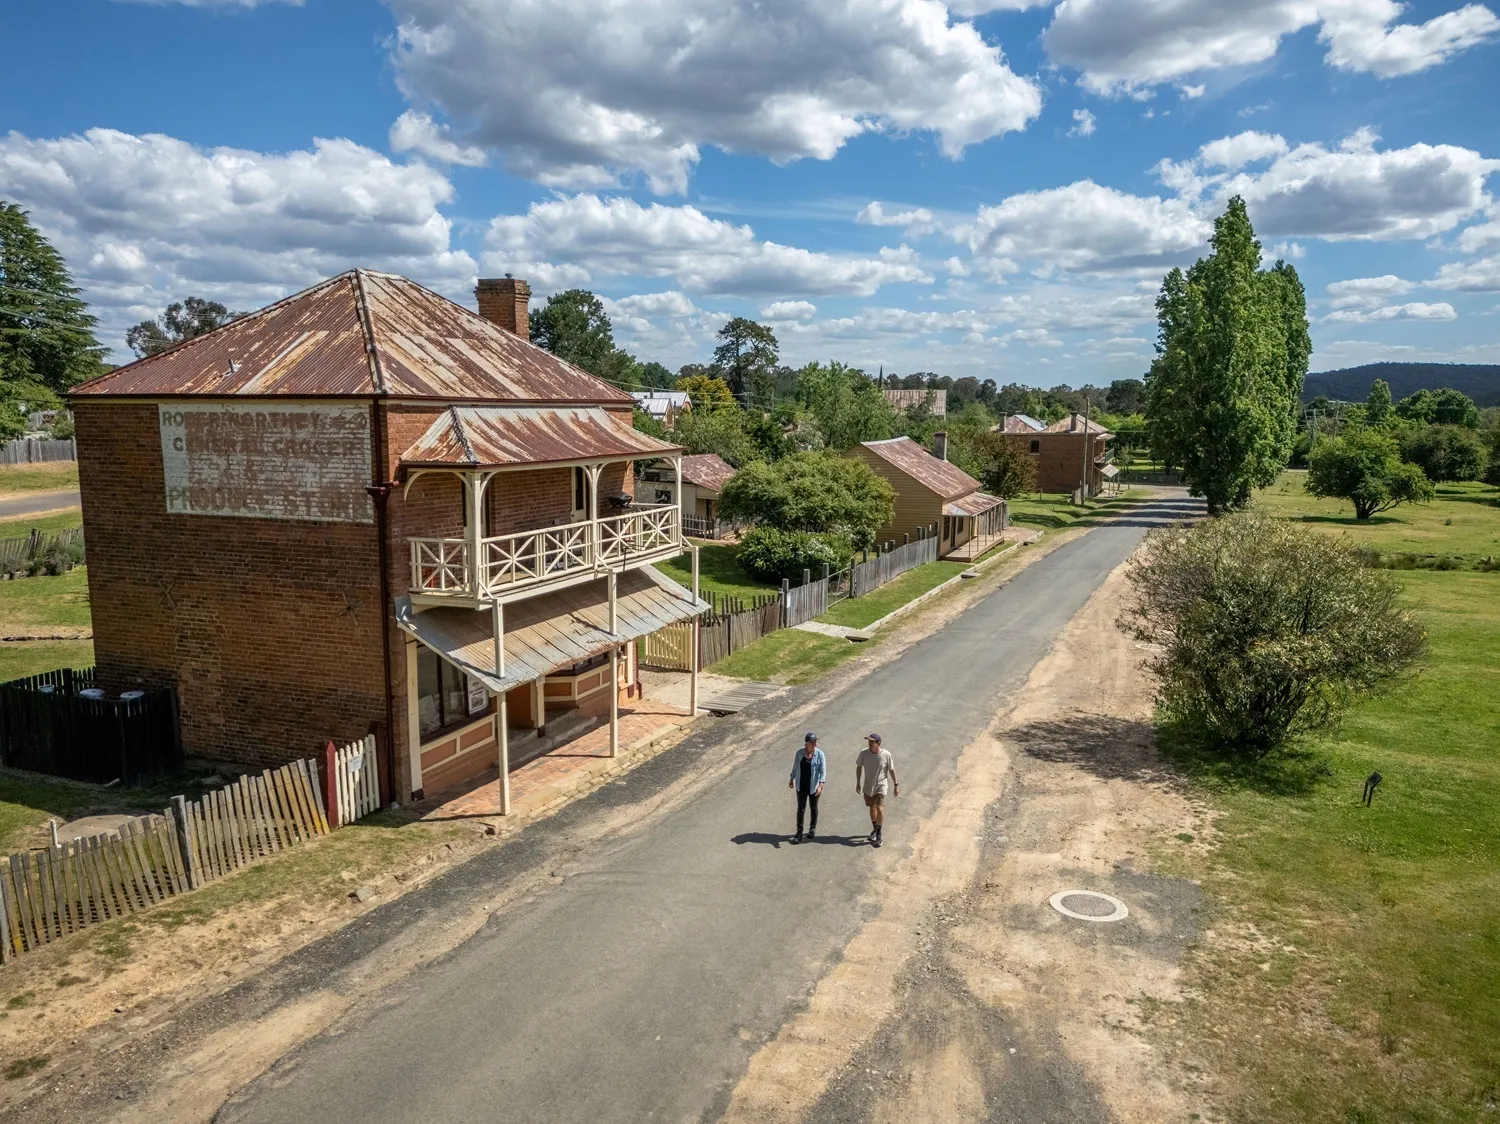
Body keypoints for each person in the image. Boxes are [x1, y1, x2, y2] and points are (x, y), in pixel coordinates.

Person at [854, 733, 898, 847]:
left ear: (878, 743)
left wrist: (896, 784)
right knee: (872, 807)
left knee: (879, 807)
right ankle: (875, 829)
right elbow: (859, 767)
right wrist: (858, 782)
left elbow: (891, 770)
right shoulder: (864, 753)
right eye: (869, 741)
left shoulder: (886, 755)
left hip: (881, 785)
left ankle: (879, 834)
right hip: (868, 786)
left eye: (872, 742)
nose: (869, 743)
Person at [788, 732, 826, 843]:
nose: (815, 744)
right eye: (812, 742)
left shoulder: (820, 754)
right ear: (806, 743)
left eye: (815, 741)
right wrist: (792, 778)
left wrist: (821, 785)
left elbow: (822, 771)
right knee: (801, 809)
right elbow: (795, 766)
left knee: (813, 808)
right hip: (801, 786)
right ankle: (799, 833)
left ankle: (812, 829)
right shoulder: (799, 753)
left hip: (814, 786)